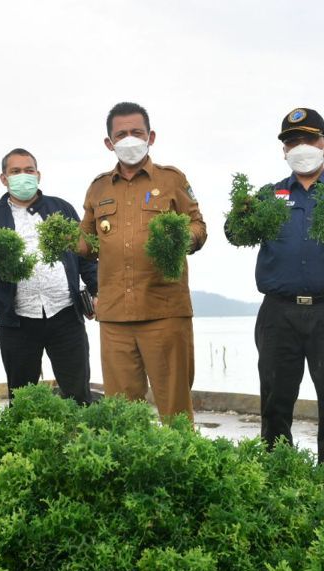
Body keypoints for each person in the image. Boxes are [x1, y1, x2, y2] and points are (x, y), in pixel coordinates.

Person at [228, 108, 324, 485]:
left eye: (308, 139)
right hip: (277, 314)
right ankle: (277, 482)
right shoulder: (270, 196)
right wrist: (240, 214)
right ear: (283, 150)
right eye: (292, 141)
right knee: (275, 402)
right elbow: (236, 235)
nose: (301, 147)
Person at [79, 102, 206, 421]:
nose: (129, 139)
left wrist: (182, 238)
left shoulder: (172, 179)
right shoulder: (98, 188)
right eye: (121, 134)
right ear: (109, 143)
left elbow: (198, 227)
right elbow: (85, 242)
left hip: (164, 312)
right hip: (114, 317)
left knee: (175, 412)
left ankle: (181, 469)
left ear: (151, 136)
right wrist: (57, 239)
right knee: (122, 416)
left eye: (136, 132)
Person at [0, 148, 98, 405]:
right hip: (17, 321)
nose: (23, 176)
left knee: (78, 394)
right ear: (3, 178)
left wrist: (98, 292)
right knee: (22, 399)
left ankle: (80, 442)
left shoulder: (61, 208)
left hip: (65, 315)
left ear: (38, 174)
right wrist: (9, 263)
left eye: (28, 170)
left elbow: (84, 255)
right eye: (15, 171)